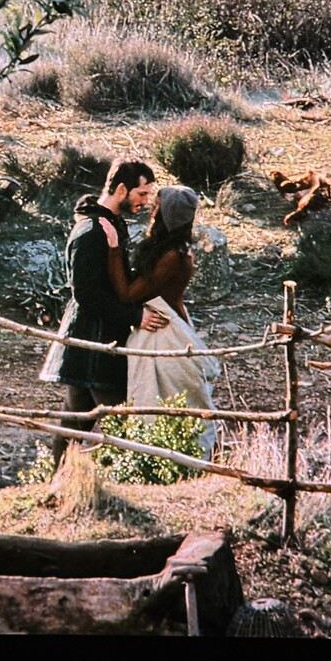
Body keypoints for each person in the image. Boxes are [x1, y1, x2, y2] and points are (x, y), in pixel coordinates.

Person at [38, 158, 168, 467]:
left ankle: (59, 481)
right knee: (122, 424)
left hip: (94, 342)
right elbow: (86, 295)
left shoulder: (108, 224)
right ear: (122, 189)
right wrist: (135, 317)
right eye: (141, 193)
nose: (144, 202)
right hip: (95, 344)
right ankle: (135, 479)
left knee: (73, 424)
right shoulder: (91, 231)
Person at [98, 184, 221, 457]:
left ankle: (172, 457)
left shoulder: (171, 257)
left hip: (162, 332)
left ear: (164, 215)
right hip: (168, 324)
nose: (151, 210)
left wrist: (114, 250)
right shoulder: (174, 250)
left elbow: (129, 294)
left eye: (156, 206)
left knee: (162, 397)